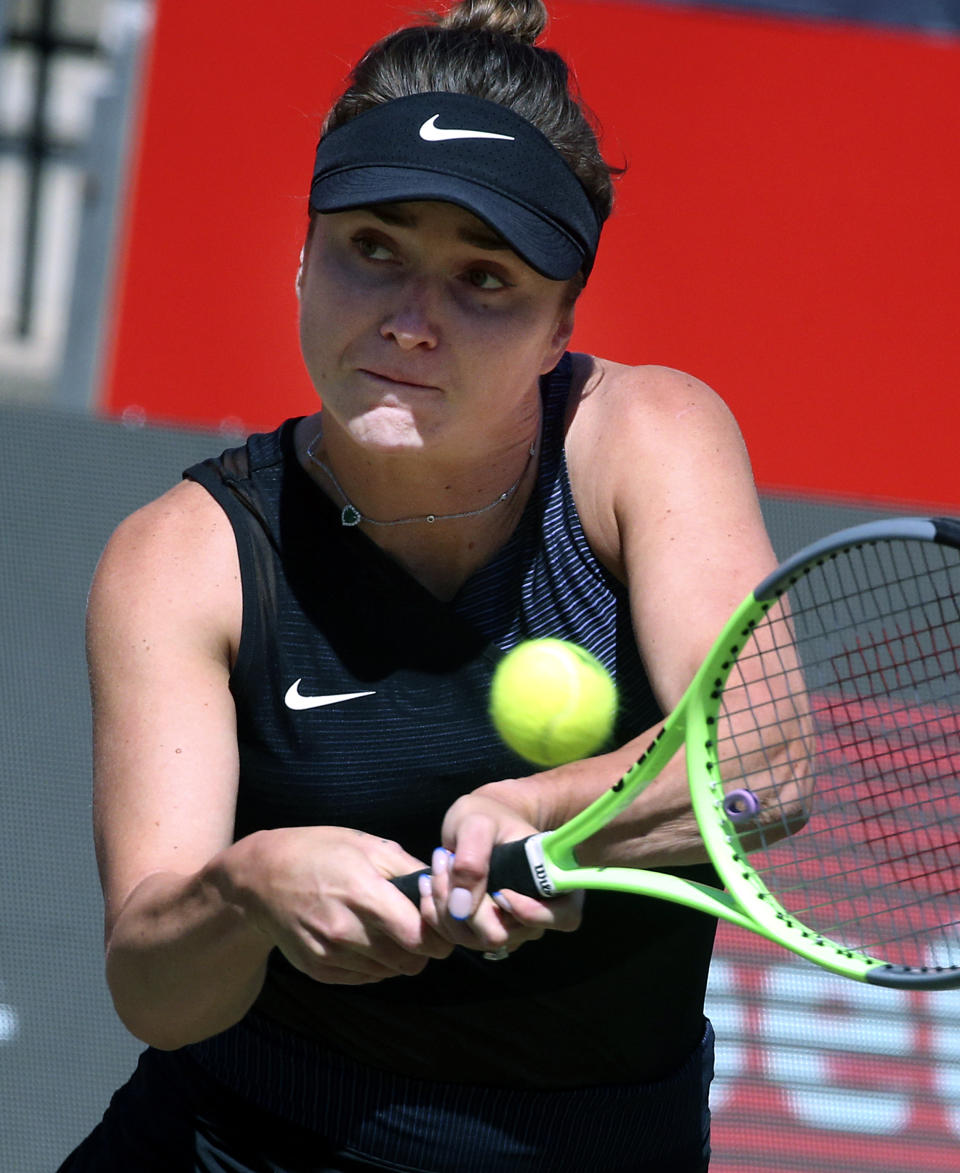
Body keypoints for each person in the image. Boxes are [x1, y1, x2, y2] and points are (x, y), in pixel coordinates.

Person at [59, 1, 778, 1169]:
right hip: (237, 1142)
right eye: (374, 248)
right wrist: (248, 889)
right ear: (302, 257)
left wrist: (537, 820)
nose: (411, 321)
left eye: (484, 279)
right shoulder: (184, 557)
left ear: (560, 331)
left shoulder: (645, 436)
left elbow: (759, 759)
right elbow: (156, 991)